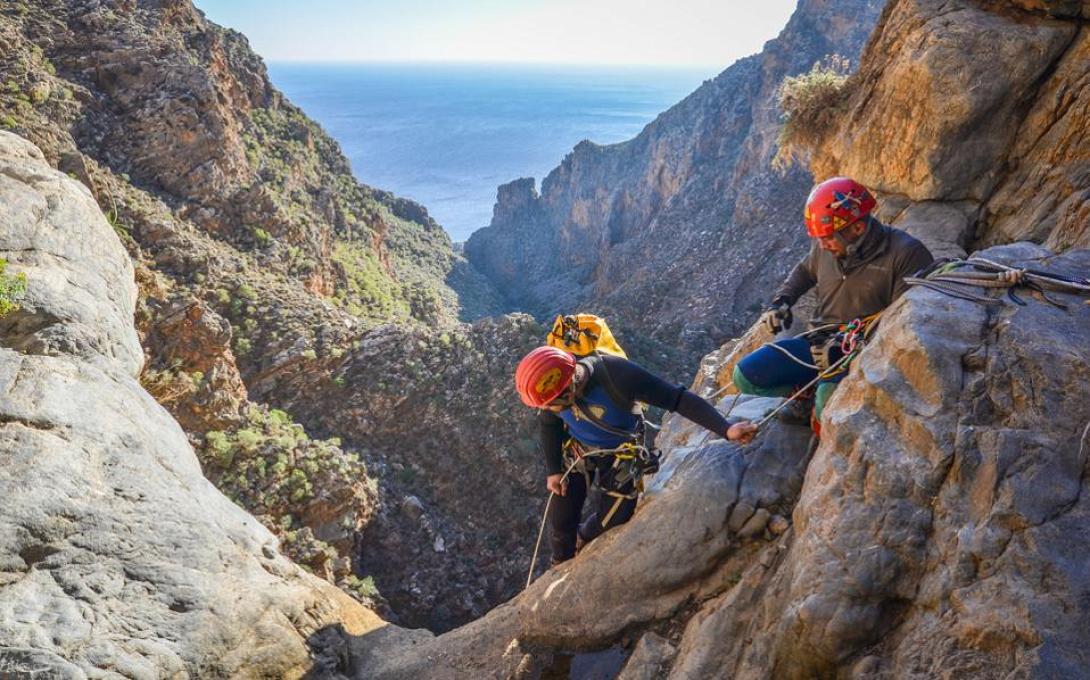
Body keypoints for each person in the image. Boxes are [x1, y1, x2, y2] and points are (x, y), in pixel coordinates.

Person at [515, 346, 758, 564]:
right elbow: (549, 426)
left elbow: (677, 399)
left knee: (613, 520)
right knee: (560, 522)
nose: (545, 409)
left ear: (568, 389)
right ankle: (561, 564)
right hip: (579, 451)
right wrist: (554, 471)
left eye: (548, 405)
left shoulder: (618, 376)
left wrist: (725, 429)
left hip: (622, 455)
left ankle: (583, 536)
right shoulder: (554, 394)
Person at [733, 177, 934, 424]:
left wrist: (845, 350)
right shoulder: (827, 247)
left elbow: (900, 324)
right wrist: (782, 301)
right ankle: (804, 395)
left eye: (827, 237)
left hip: (858, 353)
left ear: (857, 229)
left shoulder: (906, 254)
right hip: (818, 345)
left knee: (826, 402)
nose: (822, 245)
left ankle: (817, 405)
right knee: (744, 375)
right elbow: (805, 271)